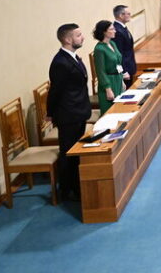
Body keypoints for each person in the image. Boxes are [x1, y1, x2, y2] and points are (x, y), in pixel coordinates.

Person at [47, 23, 92, 201]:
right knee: (68, 152)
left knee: (76, 151)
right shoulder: (60, 63)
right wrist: (50, 113)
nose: (83, 37)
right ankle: (67, 189)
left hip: (78, 111)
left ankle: (76, 184)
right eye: (79, 35)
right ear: (67, 39)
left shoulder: (73, 57)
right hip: (68, 114)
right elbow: (55, 91)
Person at [92, 20, 126, 115]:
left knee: (120, 110)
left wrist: (122, 79)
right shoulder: (99, 49)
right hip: (108, 83)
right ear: (104, 32)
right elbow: (100, 72)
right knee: (110, 113)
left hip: (117, 79)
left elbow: (118, 63)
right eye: (112, 29)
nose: (115, 31)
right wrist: (108, 89)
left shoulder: (112, 44)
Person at [112, 5, 136, 88]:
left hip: (129, 66)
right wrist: (124, 71)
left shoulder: (122, 27)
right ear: (121, 15)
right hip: (125, 69)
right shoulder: (117, 31)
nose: (130, 15)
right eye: (128, 14)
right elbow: (119, 53)